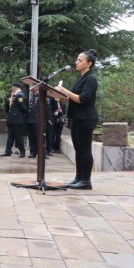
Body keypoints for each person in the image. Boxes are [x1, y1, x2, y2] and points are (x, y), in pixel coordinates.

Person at [57, 49, 99, 189]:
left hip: (86, 119)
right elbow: (73, 98)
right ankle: (78, 178)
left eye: (80, 60)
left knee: (85, 149)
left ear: (89, 63)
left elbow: (83, 99)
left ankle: (86, 181)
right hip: (76, 118)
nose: (76, 62)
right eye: (77, 59)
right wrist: (57, 94)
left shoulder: (91, 79)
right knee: (78, 149)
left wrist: (65, 91)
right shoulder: (81, 77)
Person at [2, 83, 28, 157]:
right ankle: (8, 151)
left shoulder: (20, 95)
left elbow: (22, 106)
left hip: (17, 119)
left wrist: (24, 114)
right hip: (12, 119)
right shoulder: (14, 95)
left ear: (15, 87)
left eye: (12, 87)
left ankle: (22, 152)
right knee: (10, 136)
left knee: (18, 136)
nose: (12, 88)